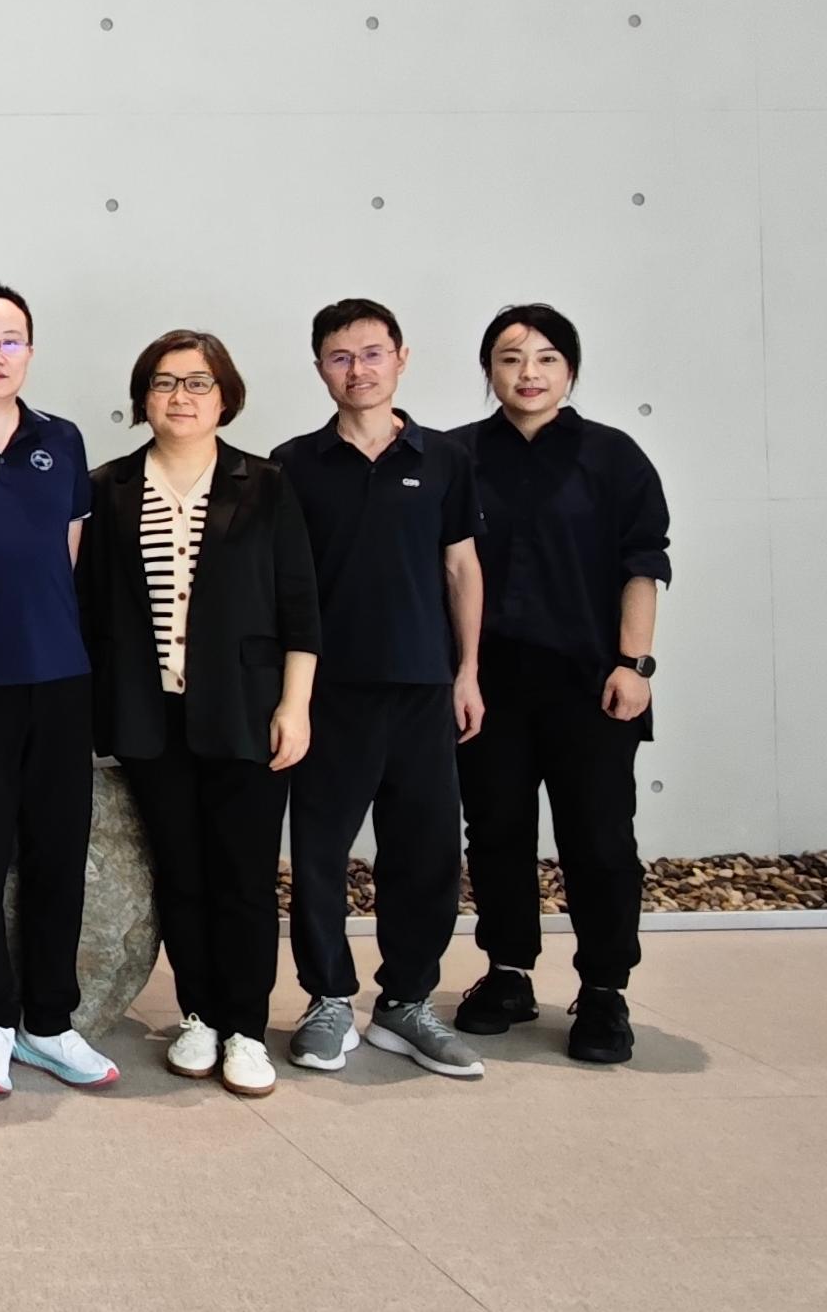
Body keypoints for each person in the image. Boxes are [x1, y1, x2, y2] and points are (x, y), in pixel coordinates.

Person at [82, 330, 318, 1099]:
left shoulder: (267, 484)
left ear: (225, 397)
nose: (179, 397)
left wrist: (295, 705)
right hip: (152, 718)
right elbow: (91, 607)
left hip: (248, 712)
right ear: (142, 397)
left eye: (197, 382)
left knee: (243, 878)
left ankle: (245, 1027)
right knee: (181, 874)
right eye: (163, 382)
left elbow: (299, 606)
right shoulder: (109, 488)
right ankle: (200, 1015)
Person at [450, 304, 670, 1065]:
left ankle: (604, 989)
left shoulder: (613, 456)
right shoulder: (457, 455)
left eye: (546, 358)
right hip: (488, 683)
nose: (529, 373)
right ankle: (508, 972)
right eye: (511, 358)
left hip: (591, 682)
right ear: (489, 371)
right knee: (496, 832)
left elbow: (644, 563)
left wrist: (635, 665)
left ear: (570, 370)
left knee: (600, 838)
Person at [274, 298, 486, 1080]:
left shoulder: (445, 459)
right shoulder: (293, 465)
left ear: (401, 357)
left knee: (425, 853)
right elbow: (284, 585)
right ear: (320, 368)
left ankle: (407, 1002)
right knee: (320, 854)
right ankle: (328, 998)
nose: (357, 369)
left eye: (371, 353)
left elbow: (461, 568)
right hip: (329, 692)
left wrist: (468, 671)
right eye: (339, 356)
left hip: (424, 685)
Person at [0, 283, 119, 1096]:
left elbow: (67, 553)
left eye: (10, 340)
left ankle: (49, 1020)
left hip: (61, 677)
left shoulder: (62, 440)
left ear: (31, 353)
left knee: (58, 854)